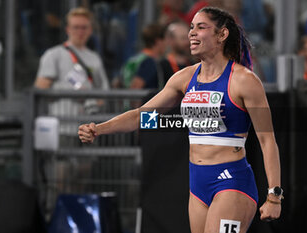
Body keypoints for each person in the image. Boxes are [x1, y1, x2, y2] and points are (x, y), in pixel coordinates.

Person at [79, 7, 282, 232]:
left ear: (222, 35)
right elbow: (142, 116)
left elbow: (267, 141)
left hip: (231, 182)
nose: (192, 33)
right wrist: (99, 128)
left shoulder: (244, 81)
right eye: (191, 27)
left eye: (201, 27)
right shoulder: (185, 78)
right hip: (198, 184)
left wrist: (274, 195)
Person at [34, 7, 109, 91]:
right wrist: (73, 91)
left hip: (91, 104)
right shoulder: (53, 55)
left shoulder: (95, 58)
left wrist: (93, 99)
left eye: (84, 27)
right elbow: (41, 88)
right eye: (76, 27)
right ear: (68, 29)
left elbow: (104, 91)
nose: (80, 32)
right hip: (63, 103)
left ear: (90, 30)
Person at [119, 23, 166, 89]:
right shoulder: (149, 62)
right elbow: (135, 88)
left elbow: (118, 82)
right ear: (158, 41)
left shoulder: (133, 59)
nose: (166, 44)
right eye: (165, 40)